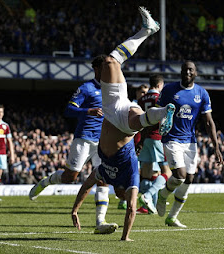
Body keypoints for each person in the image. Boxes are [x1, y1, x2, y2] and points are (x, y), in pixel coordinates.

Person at [71, 6, 175, 241]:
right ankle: (163, 113)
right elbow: (131, 208)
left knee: (110, 60)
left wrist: (75, 209)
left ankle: (147, 31)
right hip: (124, 123)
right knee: (137, 120)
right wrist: (125, 237)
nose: (123, 196)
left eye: (121, 195)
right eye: (122, 195)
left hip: (113, 111)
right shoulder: (130, 180)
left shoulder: (104, 174)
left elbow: (86, 186)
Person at [29, 55, 119, 234]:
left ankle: (100, 222)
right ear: (96, 69)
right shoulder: (86, 88)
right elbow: (69, 109)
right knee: (70, 177)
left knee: (103, 179)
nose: (108, 71)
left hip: (103, 141)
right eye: (104, 67)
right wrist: (88, 111)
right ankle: (46, 181)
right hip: (84, 138)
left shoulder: (113, 90)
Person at [155, 61, 223, 227]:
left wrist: (216, 146)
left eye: (190, 70)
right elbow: (156, 112)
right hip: (171, 138)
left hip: (190, 141)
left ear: (196, 73)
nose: (187, 72)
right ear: (180, 72)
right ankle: (162, 195)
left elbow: (209, 122)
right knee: (180, 175)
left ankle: (172, 217)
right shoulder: (169, 89)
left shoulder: (202, 93)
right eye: (184, 69)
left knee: (189, 178)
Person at [136, 74, 172, 214]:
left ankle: (148, 206)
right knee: (167, 172)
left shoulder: (141, 100)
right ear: (159, 85)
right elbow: (163, 119)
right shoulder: (160, 98)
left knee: (147, 174)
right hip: (157, 137)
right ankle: (148, 195)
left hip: (144, 138)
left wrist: (140, 141)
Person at [118, 83, 149, 210]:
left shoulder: (145, 105)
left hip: (142, 140)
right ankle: (125, 199)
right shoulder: (133, 105)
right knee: (132, 170)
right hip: (133, 141)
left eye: (145, 93)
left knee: (139, 171)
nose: (144, 95)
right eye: (142, 92)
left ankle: (132, 198)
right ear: (137, 93)